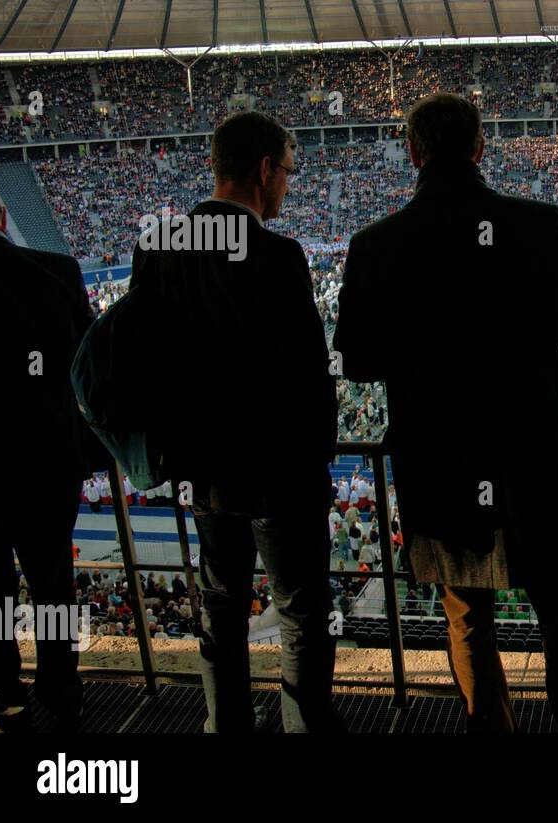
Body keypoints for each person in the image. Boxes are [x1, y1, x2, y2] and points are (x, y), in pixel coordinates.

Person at [333, 93, 558, 733]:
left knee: (467, 615)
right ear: (481, 147)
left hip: (441, 467)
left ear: (413, 153)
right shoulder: (536, 222)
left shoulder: (376, 245)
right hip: (535, 461)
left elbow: (355, 360)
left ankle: (491, 728)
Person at [129, 112, 342, 733]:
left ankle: (225, 726)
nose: (288, 188)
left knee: (219, 604)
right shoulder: (278, 255)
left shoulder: (157, 246)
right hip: (278, 473)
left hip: (201, 472)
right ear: (264, 170)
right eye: (288, 174)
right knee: (301, 612)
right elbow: (308, 373)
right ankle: (304, 728)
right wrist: (318, 455)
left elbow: (147, 359)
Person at [0, 179, 92, 731]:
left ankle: (4, 689)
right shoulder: (58, 272)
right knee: (53, 581)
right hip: (45, 462)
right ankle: (61, 689)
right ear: (3, 217)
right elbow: (91, 368)